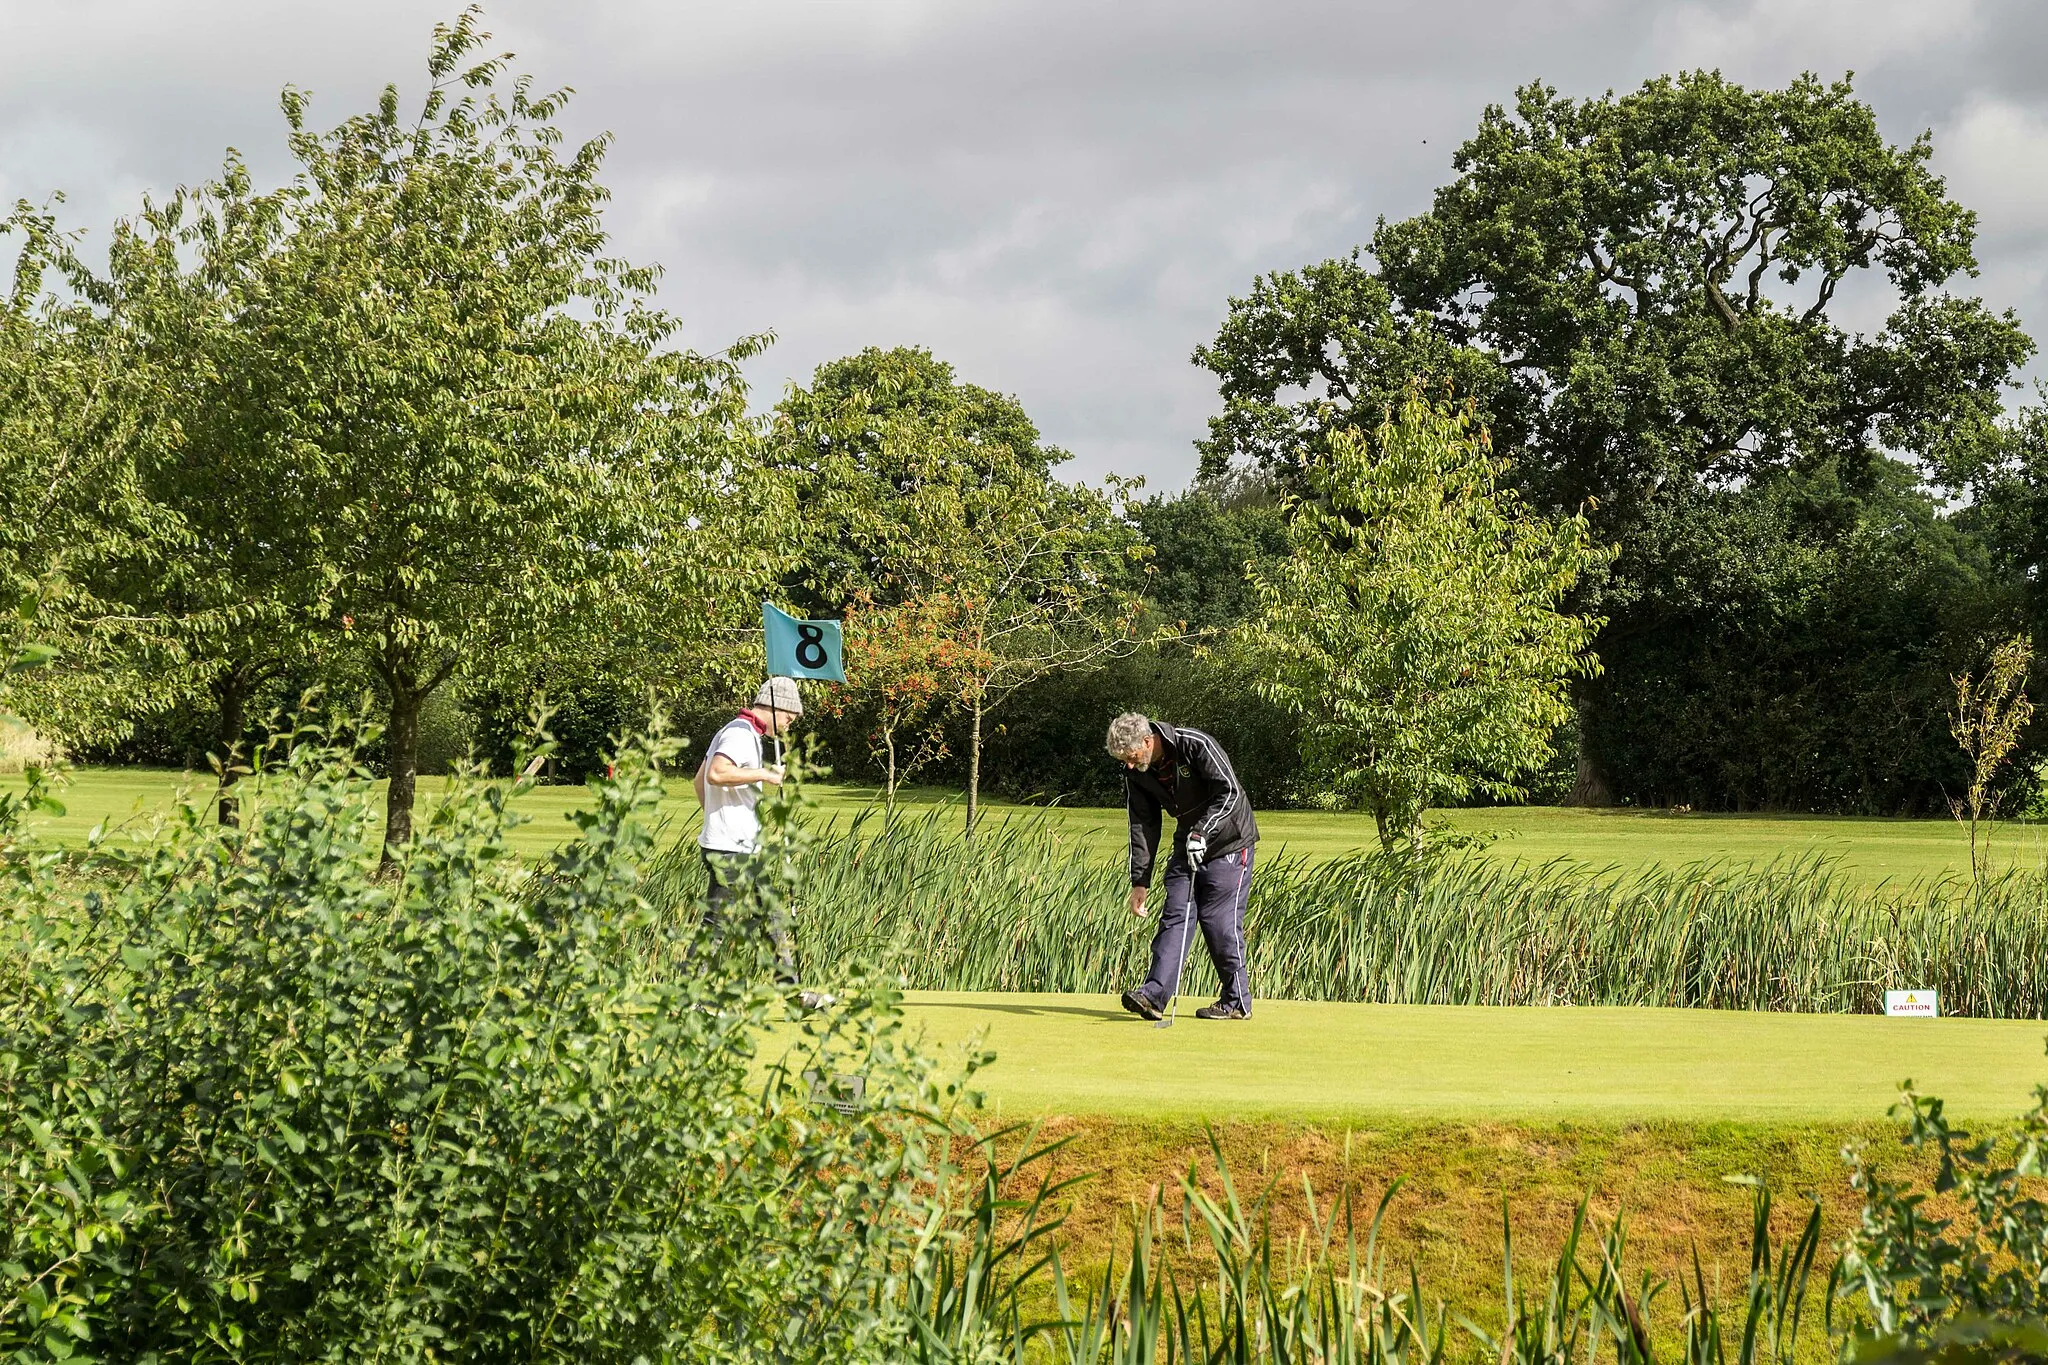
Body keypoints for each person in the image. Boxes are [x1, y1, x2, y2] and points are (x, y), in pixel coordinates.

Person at [1105, 711, 1258, 1021]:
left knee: (1219, 923)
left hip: (1230, 842)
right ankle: (1153, 997)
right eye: (1124, 760)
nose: (1129, 765)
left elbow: (1230, 793)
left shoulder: (1195, 745)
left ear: (1148, 742)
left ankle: (1236, 1001)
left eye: (1132, 756)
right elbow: (1143, 824)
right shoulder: (1136, 772)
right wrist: (1140, 881)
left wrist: (1203, 831)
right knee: (1176, 914)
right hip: (1187, 842)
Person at [695, 676, 818, 999]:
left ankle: (792, 994)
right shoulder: (739, 734)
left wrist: (718, 815)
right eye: (789, 719)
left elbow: (698, 780)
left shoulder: (739, 731)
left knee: (773, 916)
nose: (788, 726)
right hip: (729, 849)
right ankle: (686, 997)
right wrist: (764, 774)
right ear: (777, 709)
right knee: (717, 925)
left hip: (739, 845)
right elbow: (715, 774)